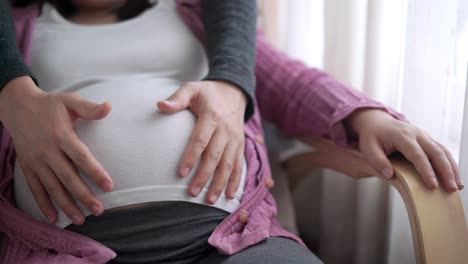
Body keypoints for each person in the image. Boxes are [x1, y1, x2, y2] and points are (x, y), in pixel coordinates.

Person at [0, 0, 462, 263]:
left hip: (233, 240)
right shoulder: (19, 33)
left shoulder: (195, 16)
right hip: (60, 250)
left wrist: (368, 119)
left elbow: (288, 79)